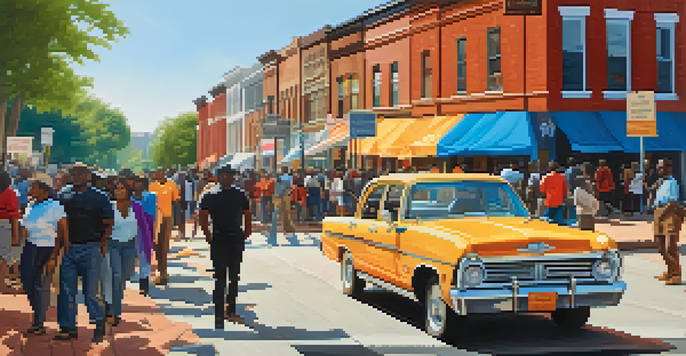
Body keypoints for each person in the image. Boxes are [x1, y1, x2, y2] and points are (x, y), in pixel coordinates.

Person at [56, 163, 114, 343]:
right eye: (74, 173)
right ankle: (68, 327)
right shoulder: (63, 195)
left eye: (81, 173)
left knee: (91, 293)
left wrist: (102, 242)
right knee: (66, 291)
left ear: (88, 176)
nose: (77, 176)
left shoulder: (100, 197)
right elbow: (58, 221)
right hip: (69, 248)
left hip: (91, 249)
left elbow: (109, 222)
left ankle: (98, 324)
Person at [198, 164, 252, 328]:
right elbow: (203, 217)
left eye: (230, 175)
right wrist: (208, 235)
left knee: (233, 277)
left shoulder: (240, 195)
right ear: (219, 176)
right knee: (220, 278)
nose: (227, 177)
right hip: (219, 238)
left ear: (234, 177)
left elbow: (247, 215)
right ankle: (219, 314)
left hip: (235, 238)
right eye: (224, 175)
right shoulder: (209, 195)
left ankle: (231, 311)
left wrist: (245, 233)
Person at [20, 179, 67, 336]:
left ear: (44, 190)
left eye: (34, 187)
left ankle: (39, 322)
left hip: (46, 247)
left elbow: (62, 230)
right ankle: (37, 316)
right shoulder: (31, 205)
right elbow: (25, 225)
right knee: (27, 281)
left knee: (39, 284)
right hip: (30, 246)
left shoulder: (55, 206)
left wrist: (54, 255)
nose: (30, 190)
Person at [106, 178, 149, 326]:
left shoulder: (136, 207)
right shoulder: (109, 206)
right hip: (113, 245)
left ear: (127, 191)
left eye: (122, 188)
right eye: (117, 188)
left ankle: (111, 302)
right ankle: (114, 311)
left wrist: (147, 249)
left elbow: (143, 228)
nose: (119, 191)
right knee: (116, 276)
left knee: (124, 277)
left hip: (130, 246)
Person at [652, 159, 682, 285]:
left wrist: (663, 214)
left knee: (670, 246)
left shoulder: (672, 182)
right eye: (658, 167)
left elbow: (673, 201)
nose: (659, 170)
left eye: (661, 167)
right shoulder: (661, 182)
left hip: (669, 213)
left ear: (669, 168)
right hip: (659, 211)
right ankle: (669, 271)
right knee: (660, 245)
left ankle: (676, 274)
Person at [148, 168, 179, 285]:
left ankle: (164, 273)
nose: (157, 174)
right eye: (156, 173)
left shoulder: (171, 185)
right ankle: (159, 271)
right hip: (155, 218)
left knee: (164, 246)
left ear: (164, 173)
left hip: (167, 217)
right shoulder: (152, 186)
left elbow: (175, 201)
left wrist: (176, 220)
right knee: (156, 245)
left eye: (160, 172)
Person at [131, 175, 156, 296]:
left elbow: (152, 215)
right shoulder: (127, 198)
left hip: (144, 230)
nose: (138, 185)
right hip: (129, 230)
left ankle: (144, 285)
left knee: (144, 258)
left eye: (140, 182)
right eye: (136, 182)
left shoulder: (151, 197)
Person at [0, 171, 22, 292]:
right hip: (5, 224)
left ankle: (6, 280)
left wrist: (14, 235)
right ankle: (7, 280)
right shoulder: (10, 193)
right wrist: (15, 234)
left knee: (5, 255)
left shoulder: (9, 192)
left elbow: (13, 215)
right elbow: (14, 215)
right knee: (6, 254)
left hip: (5, 224)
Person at [540, 162, 567, 226]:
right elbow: (565, 190)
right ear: (558, 168)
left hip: (549, 201)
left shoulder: (545, 177)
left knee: (547, 220)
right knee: (559, 220)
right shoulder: (562, 177)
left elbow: (542, 190)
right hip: (559, 200)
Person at [274, 167, 294, 232]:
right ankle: (287, 227)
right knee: (286, 212)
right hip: (285, 195)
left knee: (278, 212)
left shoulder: (279, 179)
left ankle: (275, 227)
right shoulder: (289, 178)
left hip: (278, 196)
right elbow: (290, 187)